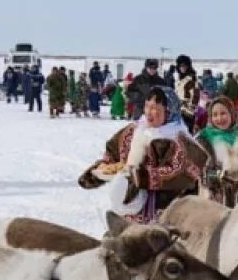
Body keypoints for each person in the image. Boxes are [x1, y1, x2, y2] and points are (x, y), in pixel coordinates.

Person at [78, 87, 207, 223]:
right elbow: (113, 155)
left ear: (169, 111)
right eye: (147, 106)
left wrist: (139, 177)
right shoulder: (132, 131)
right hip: (128, 216)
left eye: (155, 108)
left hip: (167, 217)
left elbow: (180, 173)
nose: (148, 112)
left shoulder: (179, 138)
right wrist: (100, 170)